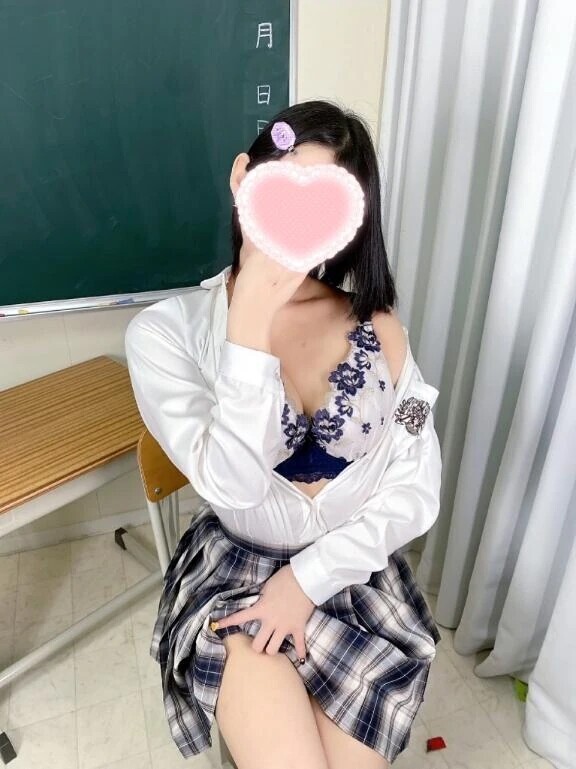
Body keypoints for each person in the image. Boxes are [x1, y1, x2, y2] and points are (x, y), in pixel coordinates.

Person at [125, 99, 442, 769]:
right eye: (285, 185)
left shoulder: (382, 328)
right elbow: (233, 487)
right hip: (237, 571)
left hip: (354, 575)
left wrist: (308, 580)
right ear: (244, 178)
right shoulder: (164, 334)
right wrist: (248, 325)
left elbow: (416, 487)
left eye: (326, 201)